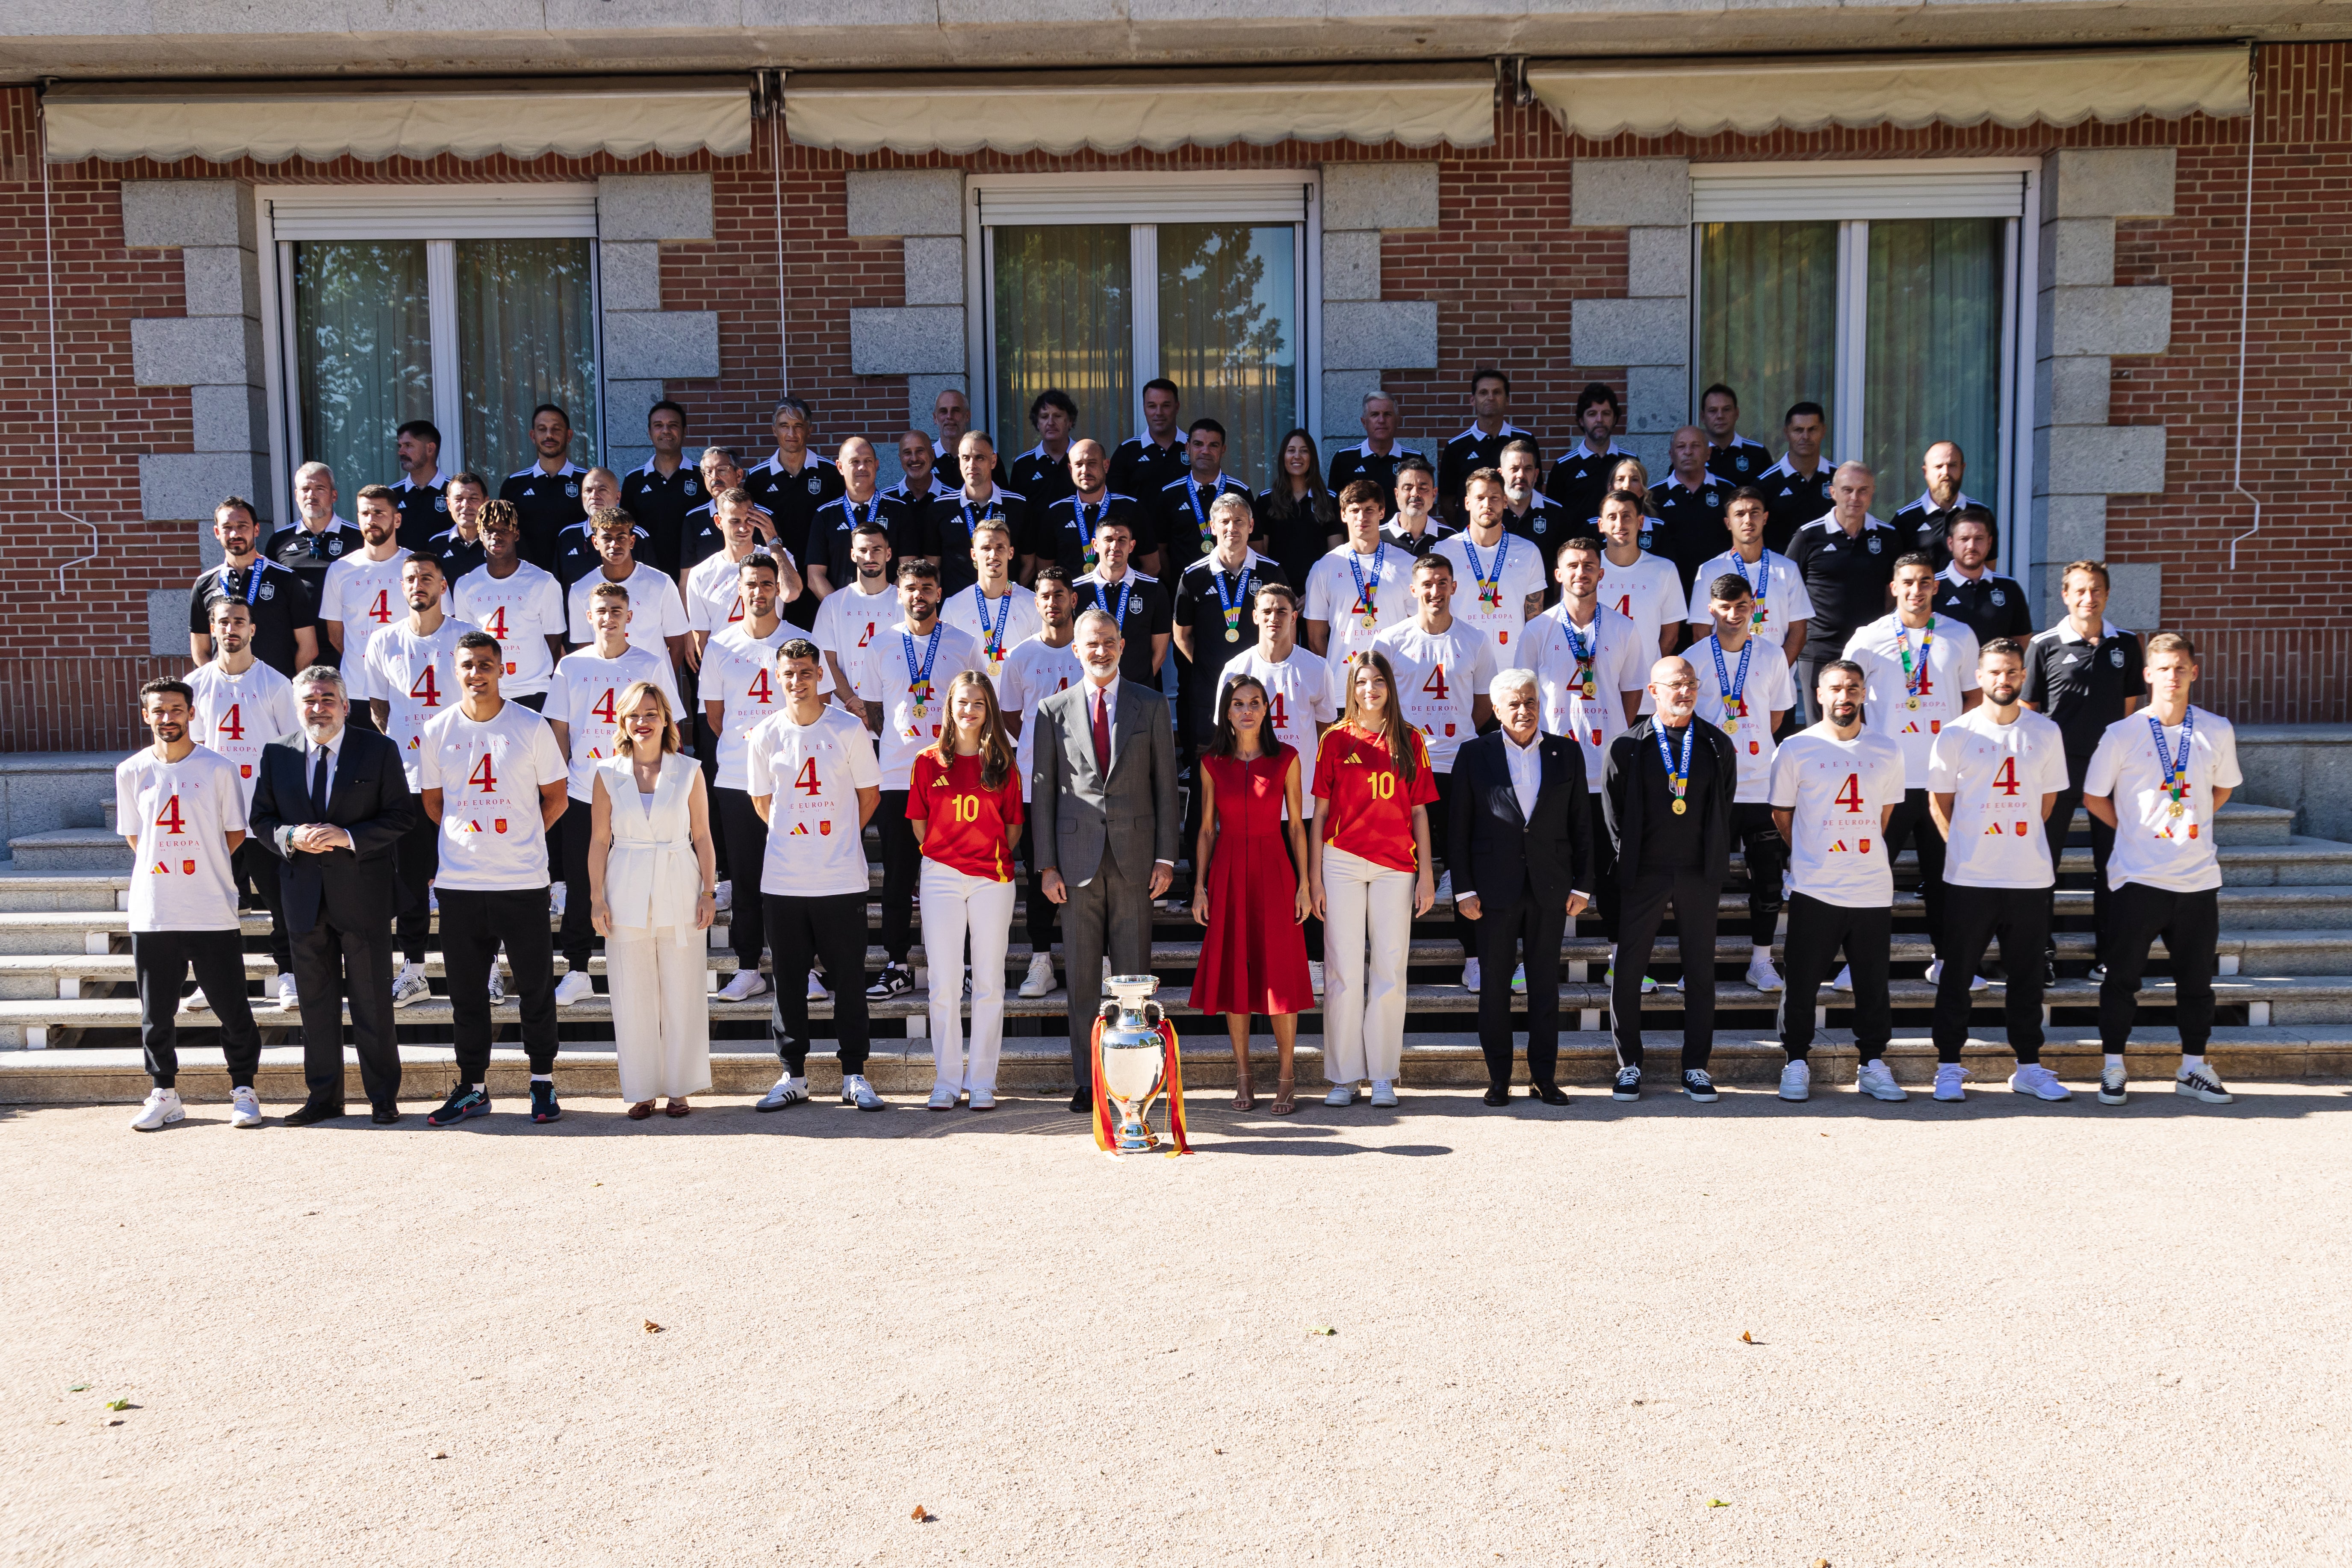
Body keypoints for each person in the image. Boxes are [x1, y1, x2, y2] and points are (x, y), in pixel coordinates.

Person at [1028, 606, 1181, 1112]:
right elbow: (1044, 790)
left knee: (1134, 977)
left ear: (1121, 645)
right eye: (1090, 643)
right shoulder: (1052, 711)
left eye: (1108, 642)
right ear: (1076, 649)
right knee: (1082, 981)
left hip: (1137, 858)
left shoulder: (1151, 704)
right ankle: (1088, 1080)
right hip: (1075, 865)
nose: (1100, 650)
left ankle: (1138, 1078)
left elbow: (1165, 786)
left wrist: (1165, 857)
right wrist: (1046, 864)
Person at [248, 666, 416, 1125]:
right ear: (298, 706)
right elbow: (261, 820)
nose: (317, 707)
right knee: (316, 1004)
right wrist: (290, 835)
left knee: (373, 1003)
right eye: (309, 700)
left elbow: (402, 816)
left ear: (345, 705)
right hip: (302, 898)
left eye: (327, 699)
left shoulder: (378, 749)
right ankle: (324, 1098)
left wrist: (347, 835)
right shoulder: (277, 753)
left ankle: (383, 1097)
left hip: (362, 895)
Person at [416, 632, 572, 1126]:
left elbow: (557, 797)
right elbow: (434, 803)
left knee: (535, 988)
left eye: (485, 664)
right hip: (461, 884)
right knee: (465, 993)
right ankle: (473, 1086)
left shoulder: (529, 726)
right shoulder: (438, 728)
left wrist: (521, 836)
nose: (476, 673)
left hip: (521, 880)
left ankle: (542, 1082)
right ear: (455, 670)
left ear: (501, 669)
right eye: (467, 665)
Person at [2083, 632, 2241, 1108]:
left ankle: (2192, 1067)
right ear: (2147, 674)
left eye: (2180, 667)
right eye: (2163, 668)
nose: (2171, 676)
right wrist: (2132, 827)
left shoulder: (2215, 729)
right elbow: (2093, 796)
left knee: (2196, 982)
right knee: (2122, 979)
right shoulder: (2123, 732)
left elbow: (2222, 789)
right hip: (2138, 877)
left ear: (2193, 672)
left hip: (2195, 878)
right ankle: (2112, 1067)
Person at [1927, 638, 2071, 1103]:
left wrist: (2015, 840)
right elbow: (1939, 802)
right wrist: (1967, 847)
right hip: (1971, 877)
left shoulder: (2045, 732)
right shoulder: (1955, 733)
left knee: (2027, 977)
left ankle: (2027, 1066)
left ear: (2022, 676)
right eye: (1993, 672)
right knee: (1957, 976)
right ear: (1978, 677)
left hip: (2028, 876)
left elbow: (2046, 803)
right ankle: (1948, 1065)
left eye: (2010, 671)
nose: (2002, 680)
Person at [119, 678, 266, 1132]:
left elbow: (233, 834)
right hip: (155, 908)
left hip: (210, 906)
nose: (168, 718)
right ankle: (165, 1092)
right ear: (146, 716)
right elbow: (135, 837)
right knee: (155, 1011)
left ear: (192, 713)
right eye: (159, 711)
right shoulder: (131, 770)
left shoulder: (219, 768)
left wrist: (199, 863)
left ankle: (244, 1090)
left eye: (176, 709)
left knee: (232, 1007)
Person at [748, 640, 885, 1112]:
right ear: (778, 676)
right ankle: (793, 1074)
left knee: (849, 979)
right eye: (789, 672)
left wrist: (837, 837)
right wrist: (796, 838)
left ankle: (854, 1074)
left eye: (805, 672)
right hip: (784, 880)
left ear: (818, 676)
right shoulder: (765, 733)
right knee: (787, 981)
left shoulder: (849, 730)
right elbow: (763, 804)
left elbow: (869, 796)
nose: (796, 681)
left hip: (840, 878)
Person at [1449, 669, 1593, 1107]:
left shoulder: (1565, 753)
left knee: (1544, 987)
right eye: (1512, 703)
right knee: (1494, 987)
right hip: (1492, 890)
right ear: (1495, 710)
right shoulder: (1474, 754)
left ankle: (1543, 1077)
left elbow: (1582, 825)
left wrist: (1583, 885)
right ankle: (1498, 1078)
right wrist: (1463, 890)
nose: (1523, 710)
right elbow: (1458, 828)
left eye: (1530, 701)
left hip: (1551, 887)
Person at [1767, 660, 1908, 1103]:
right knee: (1803, 980)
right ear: (1818, 693)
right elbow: (1782, 815)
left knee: (1871, 983)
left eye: (1852, 687)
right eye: (1835, 688)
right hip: (1815, 886)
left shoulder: (1887, 749)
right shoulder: (1794, 748)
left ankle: (1871, 1063)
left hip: (1869, 886)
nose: (1844, 695)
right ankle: (1795, 1061)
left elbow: (1883, 816)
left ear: (1864, 693)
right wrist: (1814, 851)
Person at [1602, 657, 1738, 1102]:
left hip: (1698, 872)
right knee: (1628, 969)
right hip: (1644, 872)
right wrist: (1631, 861)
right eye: (1675, 685)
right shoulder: (1628, 745)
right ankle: (1629, 1064)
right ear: (1653, 690)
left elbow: (1724, 802)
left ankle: (1696, 1066)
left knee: (1699, 970)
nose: (1684, 692)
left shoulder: (1717, 745)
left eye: (1691, 684)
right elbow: (1613, 813)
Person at [846, 560, 983, 1000]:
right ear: (899, 594)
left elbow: (978, 703)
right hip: (897, 777)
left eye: (926, 587)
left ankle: (958, 964)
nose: (918, 595)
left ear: (939, 593)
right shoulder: (882, 644)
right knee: (899, 874)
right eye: (910, 588)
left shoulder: (962, 644)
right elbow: (873, 708)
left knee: (955, 872)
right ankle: (897, 963)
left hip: (951, 774)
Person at [1845, 552, 1983, 987]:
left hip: (1941, 779)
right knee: (1868, 875)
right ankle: (1859, 962)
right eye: (1907, 582)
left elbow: (1973, 700)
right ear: (1893, 587)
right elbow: (1843, 695)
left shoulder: (1958, 635)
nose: (1915, 590)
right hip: (1885, 779)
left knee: (1944, 876)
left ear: (1935, 586)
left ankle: (1947, 961)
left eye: (1924, 581)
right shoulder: (1867, 638)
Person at [1310, 651, 1437, 1108]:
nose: (1370, 689)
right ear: (1352, 688)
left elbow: (1420, 812)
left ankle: (1382, 1073)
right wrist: (1313, 878)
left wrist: (1426, 874)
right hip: (1340, 859)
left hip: (1394, 865)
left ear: (1389, 686)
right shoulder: (1334, 739)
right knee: (1342, 970)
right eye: (1362, 681)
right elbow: (1319, 813)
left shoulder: (1410, 739)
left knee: (1389, 968)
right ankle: (1344, 1076)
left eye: (1378, 680)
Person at [549, 582, 683, 1005]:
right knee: (581, 880)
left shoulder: (649, 662)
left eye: (616, 610)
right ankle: (577, 968)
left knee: (636, 880)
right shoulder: (570, 666)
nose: (608, 617)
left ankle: (645, 970)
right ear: (588, 617)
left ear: (630, 616)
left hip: (634, 791)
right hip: (582, 789)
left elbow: (668, 728)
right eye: (601, 610)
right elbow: (560, 730)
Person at [590, 681, 717, 1119]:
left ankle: (680, 1087)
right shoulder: (608, 773)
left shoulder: (689, 770)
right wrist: (595, 898)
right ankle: (642, 1088)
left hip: (679, 882)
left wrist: (707, 892)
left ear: (666, 718)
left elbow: (701, 835)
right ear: (622, 722)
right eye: (633, 715)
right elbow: (599, 839)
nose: (642, 722)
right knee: (631, 991)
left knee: (682, 988)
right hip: (624, 886)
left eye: (650, 713)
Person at [1189, 674, 1314, 1114]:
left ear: (1266, 709)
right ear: (1227, 711)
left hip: (1274, 870)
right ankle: (1243, 1073)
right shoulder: (1211, 763)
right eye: (1238, 703)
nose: (1246, 710)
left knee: (1278, 975)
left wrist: (1304, 883)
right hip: (1226, 871)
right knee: (1234, 976)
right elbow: (1206, 829)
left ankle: (1286, 1075)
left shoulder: (1287, 759)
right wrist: (1200, 887)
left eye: (1255, 702)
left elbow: (1297, 826)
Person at [1526, 536, 1648, 984]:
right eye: (1572, 565)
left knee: (1613, 869)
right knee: (1544, 866)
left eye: (1589, 565)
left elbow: (1632, 692)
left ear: (1601, 573)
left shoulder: (1622, 628)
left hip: (1607, 770)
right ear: (1557, 575)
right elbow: (1524, 695)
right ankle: (1533, 962)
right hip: (1552, 768)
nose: (1581, 572)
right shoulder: (1537, 629)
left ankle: (1621, 961)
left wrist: (1611, 732)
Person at [1373, 554, 1497, 984]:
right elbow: (1377, 704)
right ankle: (1392, 960)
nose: (1434, 590)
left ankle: (1475, 959)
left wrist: (1452, 739)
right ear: (1413, 590)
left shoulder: (1475, 639)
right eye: (1426, 583)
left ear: (1454, 587)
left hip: (1459, 765)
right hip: (1405, 768)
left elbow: (1483, 706)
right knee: (1398, 868)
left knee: (1466, 865)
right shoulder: (1389, 642)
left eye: (1442, 582)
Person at [2023, 560, 2146, 981]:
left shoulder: (2126, 644)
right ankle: (2040, 951)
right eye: (2078, 590)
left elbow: (2129, 711)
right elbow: (2028, 714)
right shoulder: (2043, 645)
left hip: (2111, 773)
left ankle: (2108, 954)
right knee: (2043, 863)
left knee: (2112, 863)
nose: (2087, 598)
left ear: (2106, 594)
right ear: (2064, 595)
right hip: (2056, 772)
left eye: (2094, 589)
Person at [363, 552, 476, 1009]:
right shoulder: (383, 641)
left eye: (426, 577)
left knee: (467, 876)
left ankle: (482, 968)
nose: (418, 585)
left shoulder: (464, 637)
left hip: (460, 779)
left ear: (442, 584)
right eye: (410, 578)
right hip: (408, 779)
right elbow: (378, 708)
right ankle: (413, 969)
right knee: (410, 880)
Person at [909, 671, 1025, 1111]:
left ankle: (981, 1079)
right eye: (962, 702)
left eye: (978, 703)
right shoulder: (926, 761)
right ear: (949, 706)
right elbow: (919, 825)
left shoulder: (1003, 763)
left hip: (991, 878)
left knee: (989, 981)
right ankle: (945, 1079)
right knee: (943, 981)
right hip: (939, 874)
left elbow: (1013, 827)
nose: (969, 710)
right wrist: (946, 855)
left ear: (989, 709)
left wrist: (980, 854)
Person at [186, 600, 301, 1013]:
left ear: (253, 629)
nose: (231, 629)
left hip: (264, 812)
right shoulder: (196, 684)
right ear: (212, 631)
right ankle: (213, 980)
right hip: (216, 814)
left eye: (239, 622)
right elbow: (192, 749)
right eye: (223, 622)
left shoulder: (275, 684)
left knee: (279, 900)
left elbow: (293, 749)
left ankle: (288, 974)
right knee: (216, 901)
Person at [1222, 581, 1337, 992]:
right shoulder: (1237, 669)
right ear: (1254, 616)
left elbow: (1327, 732)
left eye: (1283, 611)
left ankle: (1314, 961)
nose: (1274, 618)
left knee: (1307, 881)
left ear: (1295, 617)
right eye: (1267, 610)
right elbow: (1226, 736)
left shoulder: (1314, 667)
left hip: (1304, 799)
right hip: (1255, 803)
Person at [1688, 573, 1796, 993]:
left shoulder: (1771, 656)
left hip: (1760, 786)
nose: (1734, 615)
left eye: (1742, 606)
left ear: (1754, 608)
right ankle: (1697, 963)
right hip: (1711, 789)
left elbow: (1775, 718)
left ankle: (1761, 961)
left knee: (1767, 879)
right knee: (1703, 882)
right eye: (1725, 607)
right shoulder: (1694, 658)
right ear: (1711, 609)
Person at [700, 555, 797, 1005]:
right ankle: (747, 967)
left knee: (796, 878)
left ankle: (800, 967)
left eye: (765, 583)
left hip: (794, 780)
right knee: (744, 876)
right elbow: (716, 718)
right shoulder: (719, 646)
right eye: (750, 584)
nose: (758, 591)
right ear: (739, 590)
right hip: (738, 777)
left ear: (778, 587)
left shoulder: (801, 640)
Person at [998, 569, 1088, 1000]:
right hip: (1036, 783)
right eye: (1044, 596)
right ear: (1035, 603)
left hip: (1088, 784)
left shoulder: (1088, 648)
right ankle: (1041, 958)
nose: (1051, 602)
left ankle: (1096, 957)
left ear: (1073, 599)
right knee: (1040, 871)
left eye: (1059, 595)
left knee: (1090, 870)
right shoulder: (1019, 656)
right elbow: (1012, 717)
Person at [1172, 494, 1285, 823]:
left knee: (1261, 773)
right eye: (1224, 521)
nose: (1231, 527)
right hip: (1210, 695)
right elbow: (1182, 636)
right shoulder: (1193, 576)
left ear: (1251, 526)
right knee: (1205, 777)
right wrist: (1219, 673)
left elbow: (1285, 629)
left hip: (1261, 698)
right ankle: (1199, 867)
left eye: (1239, 521)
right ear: (1212, 527)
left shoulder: (1271, 571)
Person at [1785, 461, 1898, 722]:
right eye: (1847, 490)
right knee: (1822, 729)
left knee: (1870, 726)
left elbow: (1893, 593)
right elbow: (1786, 591)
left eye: (1863, 491)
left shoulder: (1888, 536)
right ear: (1832, 492)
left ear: (1873, 493)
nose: (1855, 498)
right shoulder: (1808, 536)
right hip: (1819, 649)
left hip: (1872, 650)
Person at [453, 501, 572, 715]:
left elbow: (554, 644)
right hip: (486, 690)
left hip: (534, 689)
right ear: (480, 535)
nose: (496, 536)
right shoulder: (466, 585)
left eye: (504, 530)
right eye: (489, 530)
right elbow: (467, 643)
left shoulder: (543, 582)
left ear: (516, 534)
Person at [319, 484, 425, 721]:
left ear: (397, 520)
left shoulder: (418, 568)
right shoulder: (340, 570)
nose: (371, 520)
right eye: (365, 514)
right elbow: (337, 636)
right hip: (357, 691)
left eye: (379, 513)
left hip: (408, 689)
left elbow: (435, 625)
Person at [1682, 486, 1812, 677]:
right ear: (1728, 523)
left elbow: (1799, 632)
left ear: (1765, 518)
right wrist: (1726, 671)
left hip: (1775, 681)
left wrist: (1777, 674)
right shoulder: (1711, 570)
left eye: (1755, 513)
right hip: (1727, 678)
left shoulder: (1787, 568)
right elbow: (1701, 634)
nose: (1748, 520)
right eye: (1740, 514)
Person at [1302, 480, 1416, 683]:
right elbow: (1315, 638)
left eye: (1369, 510)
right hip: (1342, 686)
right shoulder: (1325, 567)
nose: (1362, 517)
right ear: (1343, 515)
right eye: (1355, 510)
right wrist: (1335, 677)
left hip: (1396, 684)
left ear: (1382, 513)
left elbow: (1416, 630)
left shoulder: (1407, 565)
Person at [190, 496, 318, 676]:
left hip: (273, 695)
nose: (235, 534)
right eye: (227, 528)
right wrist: (215, 682)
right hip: (226, 692)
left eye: (243, 526)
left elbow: (309, 647)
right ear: (217, 532)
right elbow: (200, 649)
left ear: (256, 529)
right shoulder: (204, 584)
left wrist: (287, 687)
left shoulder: (286, 579)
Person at [1432, 467, 1546, 661]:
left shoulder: (1528, 551)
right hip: (1460, 662)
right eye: (1480, 498)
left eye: (1494, 498)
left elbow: (1535, 621)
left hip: (1512, 666)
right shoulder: (1445, 551)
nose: (1487, 504)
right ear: (1467, 503)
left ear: (1505, 502)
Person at [683, 486, 806, 662]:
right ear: (719, 522)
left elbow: (791, 593)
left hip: (772, 659)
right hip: (728, 663)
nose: (743, 528)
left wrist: (773, 541)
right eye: (735, 521)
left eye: (749, 520)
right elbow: (702, 639)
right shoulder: (701, 574)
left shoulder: (777, 556)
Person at [566, 507, 690, 672]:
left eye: (621, 538)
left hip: (651, 688)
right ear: (596, 543)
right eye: (607, 538)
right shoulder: (580, 590)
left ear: (632, 541)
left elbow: (677, 645)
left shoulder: (661, 583)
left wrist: (658, 686)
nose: (614, 545)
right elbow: (585, 650)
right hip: (607, 685)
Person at [940, 517, 1043, 690]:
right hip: (974, 708)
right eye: (986, 548)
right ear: (974, 554)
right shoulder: (954, 606)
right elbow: (945, 664)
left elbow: (1040, 662)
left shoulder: (1033, 604)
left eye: (1000, 548)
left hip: (1020, 710)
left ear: (1011, 553)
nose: (993, 555)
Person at [806, 436, 917, 596]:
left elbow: (908, 569)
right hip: (842, 615)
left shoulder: (900, 511)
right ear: (840, 467)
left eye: (868, 461)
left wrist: (890, 605)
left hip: (890, 614)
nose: (862, 467)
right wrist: (839, 609)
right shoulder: (825, 515)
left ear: (877, 465)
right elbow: (815, 576)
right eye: (855, 462)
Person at [743, 397, 844, 569]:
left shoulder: (831, 473)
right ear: (774, 430)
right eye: (784, 426)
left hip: (823, 569)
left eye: (798, 426)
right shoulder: (757, 477)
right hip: (777, 570)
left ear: (809, 430)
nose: (791, 434)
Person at [927, 431, 1030, 599]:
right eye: (966, 458)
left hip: (1007, 608)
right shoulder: (940, 508)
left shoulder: (1018, 506)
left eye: (980, 458)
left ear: (994, 461)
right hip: (957, 611)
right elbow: (933, 567)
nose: (972, 465)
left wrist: (1010, 598)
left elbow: (1029, 565)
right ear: (960, 462)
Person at [1074, 515, 1171, 689]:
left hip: (1140, 692)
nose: (1115, 546)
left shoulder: (1153, 589)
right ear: (1095, 545)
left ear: (1132, 546)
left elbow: (1160, 652)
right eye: (1109, 540)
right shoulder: (1076, 591)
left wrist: (1134, 690)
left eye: (1122, 540)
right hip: (1091, 694)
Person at [1027, 438, 1143, 582]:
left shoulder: (1131, 508)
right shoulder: (1056, 512)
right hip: (1071, 603)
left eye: (1092, 463)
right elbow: (1045, 570)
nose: (1085, 471)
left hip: (1120, 601)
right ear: (1071, 470)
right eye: (1079, 465)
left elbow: (1151, 565)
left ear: (1106, 466)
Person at [1150, 418, 1252, 580]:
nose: (1205, 451)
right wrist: (1178, 584)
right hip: (1184, 591)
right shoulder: (1169, 494)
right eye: (1198, 444)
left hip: (1232, 590)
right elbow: (1160, 550)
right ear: (1188, 448)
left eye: (1213, 445)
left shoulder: (1241, 492)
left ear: (1223, 450)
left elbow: (1255, 547)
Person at [1594, 487, 1685, 663]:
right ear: (1601, 525)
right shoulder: (1586, 570)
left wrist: (1649, 672)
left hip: (1645, 685)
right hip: (1597, 681)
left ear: (1641, 522)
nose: (1620, 524)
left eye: (1627, 516)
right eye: (1612, 517)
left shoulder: (1665, 570)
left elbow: (1671, 636)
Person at [813, 520, 899, 707]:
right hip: (849, 714)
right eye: (863, 550)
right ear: (853, 555)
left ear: (888, 554)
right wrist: (852, 701)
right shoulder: (833, 604)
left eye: (877, 549)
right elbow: (826, 660)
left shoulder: (903, 602)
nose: (870, 557)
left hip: (895, 712)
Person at [497, 404, 589, 569]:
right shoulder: (514, 484)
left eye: (556, 429)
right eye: (542, 429)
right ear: (533, 436)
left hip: (578, 577)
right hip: (530, 580)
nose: (549, 435)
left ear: (569, 436)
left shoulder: (588, 482)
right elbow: (504, 535)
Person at [1256, 427, 1343, 595]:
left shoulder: (1331, 500)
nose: (1297, 456)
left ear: (1312, 458)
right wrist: (1281, 591)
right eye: (1291, 451)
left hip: (1320, 593)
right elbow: (1261, 556)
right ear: (1283, 457)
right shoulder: (1266, 501)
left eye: (1304, 451)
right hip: (1277, 594)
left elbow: (1336, 556)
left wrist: (1312, 594)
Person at [1437, 368, 1534, 518]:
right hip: (1474, 537)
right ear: (1473, 400)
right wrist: (1467, 528)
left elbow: (1534, 490)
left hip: (1518, 534)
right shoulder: (1456, 447)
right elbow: (1447, 503)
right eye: (1483, 393)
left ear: (1507, 399)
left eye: (1497, 392)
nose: (1491, 398)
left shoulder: (1526, 441)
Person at [1933, 506, 2034, 648]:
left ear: (1989, 543)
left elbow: (2022, 641)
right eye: (1964, 539)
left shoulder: (2010, 588)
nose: (1971, 546)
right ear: (1951, 544)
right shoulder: (1933, 586)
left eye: (1979, 539)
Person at [1649, 426, 1732, 599]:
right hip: (1669, 591)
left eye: (1695, 446)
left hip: (1720, 590)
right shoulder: (1653, 497)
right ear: (1671, 455)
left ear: (1708, 453)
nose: (1688, 452)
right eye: (1681, 447)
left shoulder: (1728, 492)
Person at [270, 461, 366, 609]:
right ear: (296, 495)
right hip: (297, 631)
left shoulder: (359, 537)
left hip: (345, 628)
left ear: (334, 496)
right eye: (305, 489)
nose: (311, 495)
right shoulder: (280, 540)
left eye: (319, 489)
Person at [1543, 382, 1638, 522]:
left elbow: (1640, 507)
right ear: (1582, 421)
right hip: (1578, 544)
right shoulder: (1563, 466)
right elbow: (1553, 517)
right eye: (1592, 414)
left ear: (1615, 419)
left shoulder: (1630, 462)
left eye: (1606, 414)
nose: (1600, 420)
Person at [622, 400, 698, 573]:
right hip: (648, 575)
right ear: (649, 433)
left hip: (694, 575)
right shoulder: (634, 480)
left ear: (685, 431)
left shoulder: (701, 477)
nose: (666, 431)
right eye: (659, 425)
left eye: (673, 425)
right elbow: (627, 532)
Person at [1756, 402, 1836, 553]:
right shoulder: (1765, 483)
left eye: (1813, 429)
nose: (1805, 436)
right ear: (1786, 433)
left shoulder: (1838, 478)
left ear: (1824, 431)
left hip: (1827, 570)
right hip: (1781, 571)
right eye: (1798, 430)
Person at [1892, 441, 1985, 570]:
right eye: (1939, 467)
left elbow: (1988, 571)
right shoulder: (1905, 519)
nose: (1946, 472)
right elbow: (1894, 575)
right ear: (1926, 472)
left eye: (1952, 465)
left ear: (1963, 469)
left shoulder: (1982, 514)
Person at [550, 468, 645, 590]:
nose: (594, 496)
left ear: (618, 498)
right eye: (588, 491)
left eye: (602, 490)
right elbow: (557, 590)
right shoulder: (567, 536)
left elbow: (651, 585)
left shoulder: (638, 536)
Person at [1327, 390, 1424, 502]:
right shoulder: (1344, 459)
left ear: (1397, 421)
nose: (1382, 420)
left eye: (1387, 414)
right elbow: (1334, 509)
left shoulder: (1416, 460)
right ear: (1364, 422)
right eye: (1375, 415)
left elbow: (1423, 504)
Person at [1110, 377, 1187, 503]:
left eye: (1166, 406)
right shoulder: (1127, 451)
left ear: (1177, 407)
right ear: (1144, 409)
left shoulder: (1195, 447)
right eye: (1152, 406)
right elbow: (1116, 501)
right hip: (1139, 523)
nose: (1159, 413)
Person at [1010, 388, 1081, 517]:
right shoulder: (1023, 465)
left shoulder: (1085, 460)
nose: (1051, 423)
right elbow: (1016, 513)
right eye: (1044, 417)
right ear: (1038, 423)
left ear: (1070, 421)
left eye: (1058, 416)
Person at [1496, 439, 1569, 559]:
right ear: (1501, 474)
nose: (1521, 475)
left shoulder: (1556, 513)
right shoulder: (1490, 511)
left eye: (1528, 469)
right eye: (1514, 469)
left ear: (1536, 475)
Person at [388, 419, 449, 550]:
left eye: (408, 446)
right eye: (400, 446)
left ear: (430, 449)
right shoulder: (390, 495)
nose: (401, 452)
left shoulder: (456, 493)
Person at [1379, 456, 1455, 557]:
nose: (1415, 494)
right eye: (1408, 488)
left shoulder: (1451, 539)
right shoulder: (1377, 537)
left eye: (1423, 488)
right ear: (1397, 494)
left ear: (1434, 494)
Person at [426, 471, 492, 584]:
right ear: (449, 504)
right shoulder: (436, 545)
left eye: (474, 498)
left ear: (486, 502)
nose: (466, 505)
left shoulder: (500, 541)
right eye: (459, 499)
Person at [1700, 383, 1771, 483]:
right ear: (1703, 417)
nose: (1720, 416)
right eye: (1713, 411)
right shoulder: (1693, 454)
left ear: (1737, 414)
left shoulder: (1758, 453)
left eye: (1726, 410)